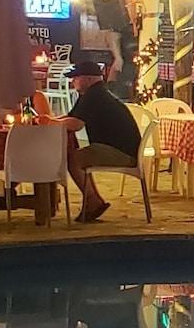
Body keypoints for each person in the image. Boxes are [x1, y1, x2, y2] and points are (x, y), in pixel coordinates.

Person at [45, 61, 142, 222]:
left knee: (73, 159)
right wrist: (51, 120)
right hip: (120, 148)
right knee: (74, 155)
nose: (72, 81)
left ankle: (93, 201)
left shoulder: (94, 96)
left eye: (76, 78)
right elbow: (71, 117)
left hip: (122, 153)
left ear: (88, 79)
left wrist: (49, 122)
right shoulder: (93, 93)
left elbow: (75, 124)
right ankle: (93, 200)